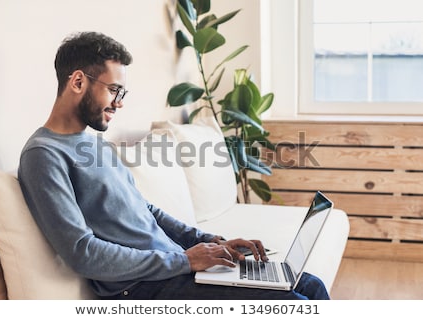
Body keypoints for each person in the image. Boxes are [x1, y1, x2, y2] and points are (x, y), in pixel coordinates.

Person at [18, 31, 330, 300]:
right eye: (114, 90)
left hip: (174, 269)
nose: (120, 102)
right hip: (141, 287)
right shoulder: (43, 155)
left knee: (309, 285)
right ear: (77, 82)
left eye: (122, 92)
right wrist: (185, 261)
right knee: (296, 300)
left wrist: (209, 242)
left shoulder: (94, 143)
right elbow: (83, 252)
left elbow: (146, 211)